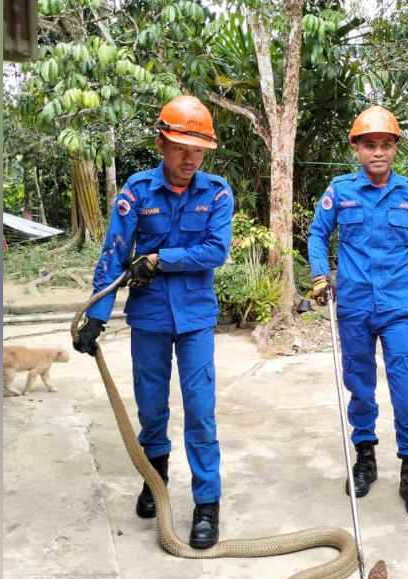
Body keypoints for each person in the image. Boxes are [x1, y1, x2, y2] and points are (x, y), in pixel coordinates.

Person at [73, 95, 233, 549]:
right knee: (151, 407)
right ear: (161, 143)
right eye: (181, 147)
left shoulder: (217, 193)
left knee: (201, 411)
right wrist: (96, 315)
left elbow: (214, 251)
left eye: (198, 150)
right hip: (149, 318)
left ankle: (207, 502)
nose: (190, 159)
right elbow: (113, 255)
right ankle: (155, 478)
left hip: (196, 318)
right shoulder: (136, 193)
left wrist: (161, 260)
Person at [307, 105, 408, 518]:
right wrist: (319, 276)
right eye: (369, 145)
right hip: (354, 307)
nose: (378, 152)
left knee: (407, 389)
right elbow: (317, 233)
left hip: (398, 307)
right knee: (360, 387)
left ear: (395, 148)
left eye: (385, 144)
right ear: (356, 149)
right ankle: (365, 458)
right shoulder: (340, 191)